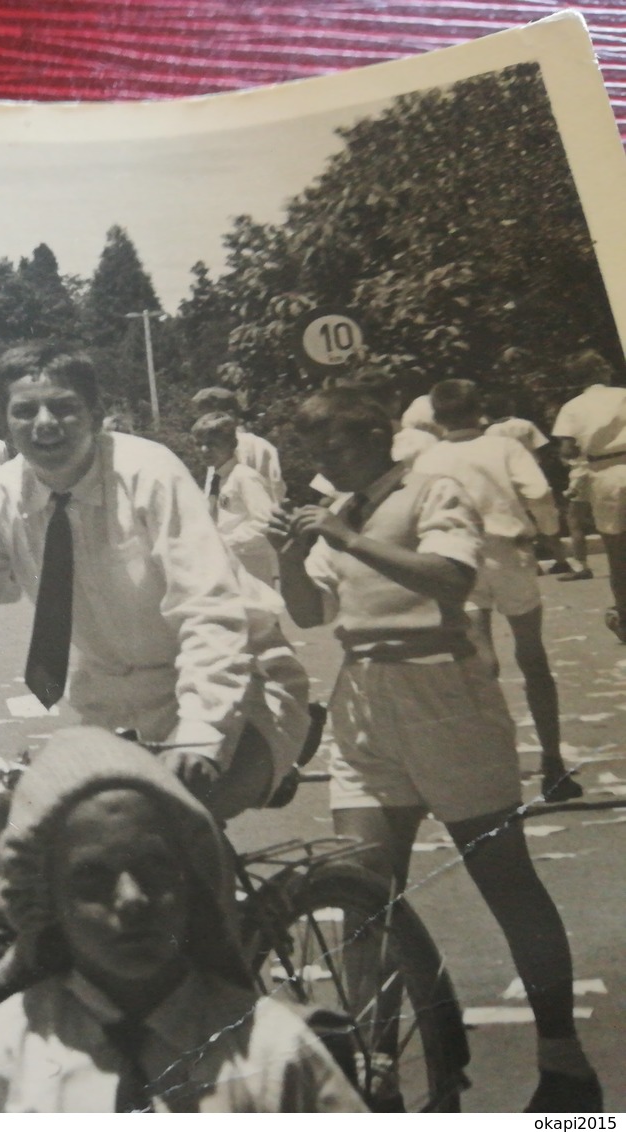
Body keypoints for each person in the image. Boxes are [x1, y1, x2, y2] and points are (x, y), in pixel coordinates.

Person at [271, 387, 601, 1113]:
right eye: (317, 452)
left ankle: (563, 1057)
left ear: (382, 436)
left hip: (446, 698)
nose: (327, 463)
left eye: (340, 447)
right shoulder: (344, 513)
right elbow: (307, 611)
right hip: (364, 704)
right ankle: (378, 1068)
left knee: (504, 879)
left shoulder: (432, 488)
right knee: (362, 895)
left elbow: (450, 578)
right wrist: (293, 554)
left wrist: (344, 537)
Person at [0, 344, 310, 825]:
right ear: (5, 422)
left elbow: (208, 607)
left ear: (97, 414)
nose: (44, 423)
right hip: (116, 712)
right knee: (55, 851)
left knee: (169, 839)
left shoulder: (149, 472)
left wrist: (203, 728)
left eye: (63, 407)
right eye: (25, 411)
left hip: (240, 688)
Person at [0, 727, 368, 1113]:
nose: (131, 899)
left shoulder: (272, 1052)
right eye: (92, 878)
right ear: (47, 901)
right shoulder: (10, 1050)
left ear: (193, 881)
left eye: (154, 867)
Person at [414, 379, 580, 800]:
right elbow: (540, 492)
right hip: (510, 555)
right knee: (532, 656)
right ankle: (553, 766)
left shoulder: (429, 458)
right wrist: (548, 532)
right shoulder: (505, 447)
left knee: (480, 663)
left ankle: (493, 766)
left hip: (460, 558)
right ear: (479, 411)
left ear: (437, 417)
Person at [551, 349, 626, 643]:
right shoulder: (622, 394)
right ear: (602, 371)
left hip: (604, 475)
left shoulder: (572, 407)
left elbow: (568, 450)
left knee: (617, 553)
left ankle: (624, 614)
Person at [485, 390, 583, 578]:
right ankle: (561, 560)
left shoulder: (490, 431)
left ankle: (534, 564)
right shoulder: (525, 425)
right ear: (510, 407)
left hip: (509, 481)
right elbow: (542, 448)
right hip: (533, 475)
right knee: (549, 523)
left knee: (523, 523)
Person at [192, 411, 279, 588]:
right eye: (199, 444)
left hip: (250, 569)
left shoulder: (244, 477)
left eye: (212, 444)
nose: (204, 450)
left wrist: (225, 542)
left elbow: (265, 524)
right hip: (226, 568)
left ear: (232, 443)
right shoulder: (213, 479)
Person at [189, 385, 285, 503]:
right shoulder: (211, 451)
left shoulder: (255, 447)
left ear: (230, 415)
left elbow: (274, 494)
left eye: (211, 417)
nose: (204, 424)